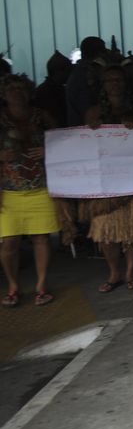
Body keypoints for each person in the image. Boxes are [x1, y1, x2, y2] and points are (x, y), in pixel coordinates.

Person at [82, 61, 133, 293]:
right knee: (106, 231)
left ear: (125, 83)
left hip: (132, 179)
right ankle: (114, 272)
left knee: (130, 230)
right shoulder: (93, 113)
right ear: (102, 85)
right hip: (104, 181)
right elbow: (82, 145)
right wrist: (91, 129)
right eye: (109, 80)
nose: (114, 84)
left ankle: (130, 271)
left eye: (118, 80)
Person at [0, 75, 59, 307]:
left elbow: (64, 141)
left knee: (41, 238)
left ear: (29, 92)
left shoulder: (41, 116)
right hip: (7, 190)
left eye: (21, 88)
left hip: (40, 186)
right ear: (3, 93)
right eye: (11, 89)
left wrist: (47, 150)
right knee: (8, 243)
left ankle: (41, 285)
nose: (17, 93)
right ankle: (13, 285)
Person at [65, 36, 106, 126]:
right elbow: (86, 107)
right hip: (85, 128)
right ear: (100, 53)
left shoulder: (77, 72)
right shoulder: (86, 74)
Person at [32, 51, 71, 125]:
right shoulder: (46, 92)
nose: (69, 73)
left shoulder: (45, 89)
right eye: (68, 70)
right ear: (59, 72)